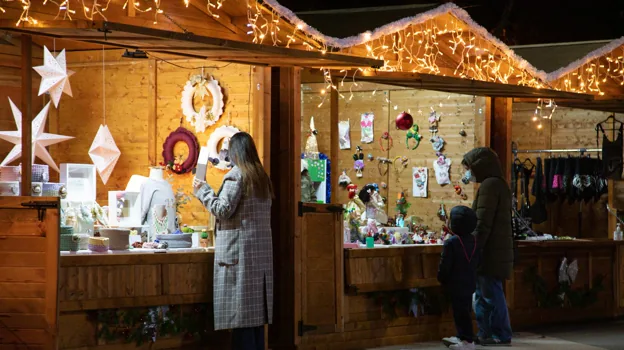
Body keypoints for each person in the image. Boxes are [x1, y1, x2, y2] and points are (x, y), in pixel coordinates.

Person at [193, 132, 273, 350]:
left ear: (237, 152)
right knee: (255, 319)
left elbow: (223, 209)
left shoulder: (236, 176)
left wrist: (202, 190)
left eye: (229, 150)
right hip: (259, 256)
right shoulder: (261, 177)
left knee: (241, 318)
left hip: (238, 257)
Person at [462, 147, 513, 346]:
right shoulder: (498, 184)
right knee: (486, 294)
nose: (468, 173)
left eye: (469, 168)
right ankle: (489, 333)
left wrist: (473, 247)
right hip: (495, 250)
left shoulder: (490, 186)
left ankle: (498, 333)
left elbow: (482, 222)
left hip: (489, 252)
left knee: (489, 294)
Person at [439, 206, 479, 350]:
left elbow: (445, 264)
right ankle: (462, 336)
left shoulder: (452, 242)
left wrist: (441, 277)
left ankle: (468, 341)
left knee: (460, 313)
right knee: (464, 310)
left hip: (456, 283)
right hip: (470, 282)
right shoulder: (474, 241)